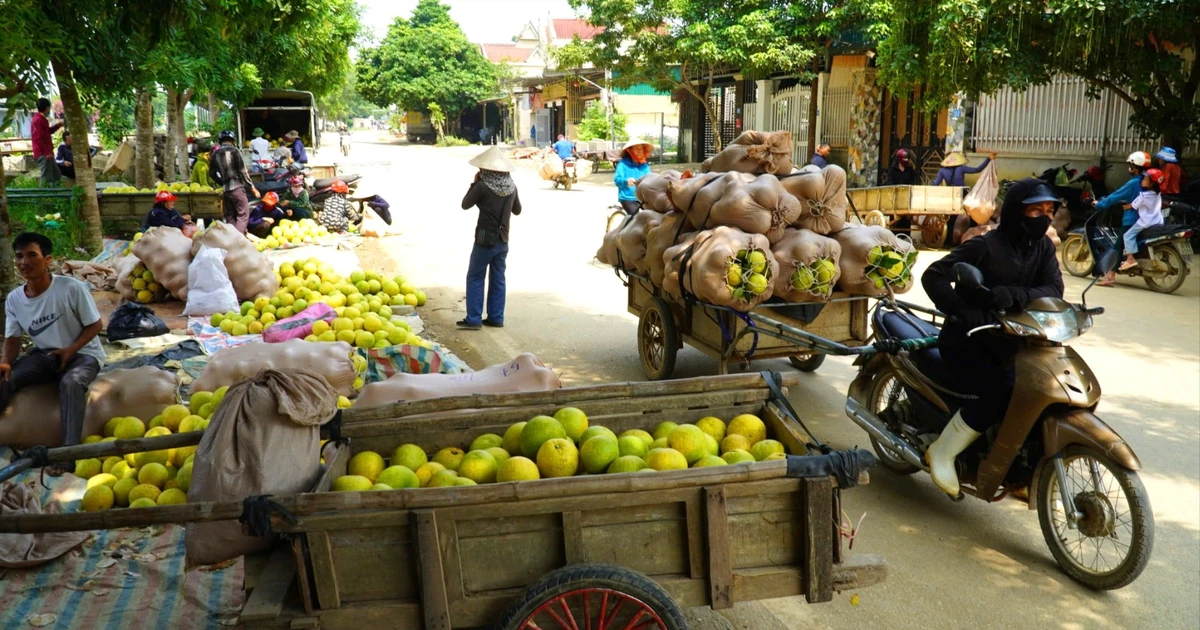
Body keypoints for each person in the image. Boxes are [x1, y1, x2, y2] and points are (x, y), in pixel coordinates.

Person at [921, 178, 1064, 497]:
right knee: (997, 393)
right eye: (1035, 210)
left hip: (1015, 342)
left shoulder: (1042, 247)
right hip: (969, 340)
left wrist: (1012, 294)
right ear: (1015, 212)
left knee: (1041, 389)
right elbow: (934, 275)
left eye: (1049, 210)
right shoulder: (984, 246)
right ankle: (942, 452)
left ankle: (1018, 466)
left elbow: (1055, 290)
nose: (1044, 217)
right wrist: (960, 309)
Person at [2, 233, 106, 471]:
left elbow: (96, 325)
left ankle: (68, 455)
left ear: (47, 260)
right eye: (19, 256)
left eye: (32, 255)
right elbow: (13, 338)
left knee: (71, 383)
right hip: (46, 354)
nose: (24, 262)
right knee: (7, 378)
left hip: (83, 352)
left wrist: (70, 350)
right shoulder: (15, 299)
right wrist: (6, 362)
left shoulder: (71, 288)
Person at [458, 147, 521, 330]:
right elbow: (517, 210)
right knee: (498, 277)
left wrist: (474, 183)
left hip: (484, 240)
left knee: (476, 276)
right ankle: (496, 317)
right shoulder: (512, 187)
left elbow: (465, 204)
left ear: (485, 169)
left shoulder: (483, 186)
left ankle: (474, 319)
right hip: (503, 240)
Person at [1093, 151, 1150, 285]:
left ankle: (1110, 277)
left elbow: (1115, 196)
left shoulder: (1133, 183)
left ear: (1134, 167)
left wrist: (1099, 204)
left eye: (1130, 165)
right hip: (1146, 218)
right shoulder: (1147, 181)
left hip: (1131, 219)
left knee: (1118, 247)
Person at [210, 129, 260, 233]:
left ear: (220, 141)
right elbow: (243, 171)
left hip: (226, 190)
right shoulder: (234, 151)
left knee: (230, 216)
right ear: (232, 140)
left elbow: (212, 173)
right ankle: (237, 239)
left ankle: (230, 239)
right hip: (237, 188)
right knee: (243, 214)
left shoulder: (215, 154)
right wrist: (252, 187)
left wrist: (222, 182)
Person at [1118, 169, 1165, 272]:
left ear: (1152, 183)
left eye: (1145, 179)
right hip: (1157, 221)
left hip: (1145, 222)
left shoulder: (1143, 196)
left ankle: (1130, 259)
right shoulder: (1158, 194)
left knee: (1127, 235)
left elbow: (1133, 205)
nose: (1142, 180)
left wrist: (1125, 206)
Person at [614, 138, 653, 215]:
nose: (639, 150)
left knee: (653, 215)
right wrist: (626, 181)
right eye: (636, 148)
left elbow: (650, 178)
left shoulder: (644, 165)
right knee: (635, 218)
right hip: (628, 198)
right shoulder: (622, 164)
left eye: (641, 148)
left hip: (642, 197)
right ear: (630, 150)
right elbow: (617, 180)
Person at [31, 98, 64, 187]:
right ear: (47, 108)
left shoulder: (41, 119)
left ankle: (56, 194)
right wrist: (46, 153)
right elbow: (38, 139)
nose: (50, 109)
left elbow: (47, 131)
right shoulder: (38, 120)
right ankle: (44, 196)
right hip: (43, 153)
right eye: (49, 107)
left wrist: (58, 125)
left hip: (47, 152)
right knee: (46, 177)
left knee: (56, 175)